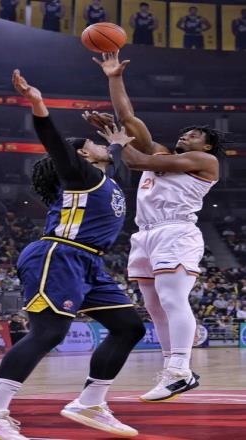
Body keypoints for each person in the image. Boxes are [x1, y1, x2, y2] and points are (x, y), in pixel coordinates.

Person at [0, 69, 146, 439]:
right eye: (92, 143)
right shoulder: (78, 173)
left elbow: (115, 162)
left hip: (89, 262)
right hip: (59, 255)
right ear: (82, 154)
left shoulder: (104, 178)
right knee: (48, 332)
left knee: (129, 327)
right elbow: (55, 142)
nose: (99, 145)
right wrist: (38, 104)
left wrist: (115, 144)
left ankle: (90, 402)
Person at [91, 51, 223, 402]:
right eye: (185, 133)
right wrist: (114, 78)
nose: (187, 136)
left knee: (172, 298)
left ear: (207, 145)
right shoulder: (163, 154)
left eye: (194, 134)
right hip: (145, 233)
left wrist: (118, 143)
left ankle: (180, 369)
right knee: (154, 307)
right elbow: (128, 118)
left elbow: (137, 161)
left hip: (176, 231)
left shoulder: (204, 160)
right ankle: (172, 370)